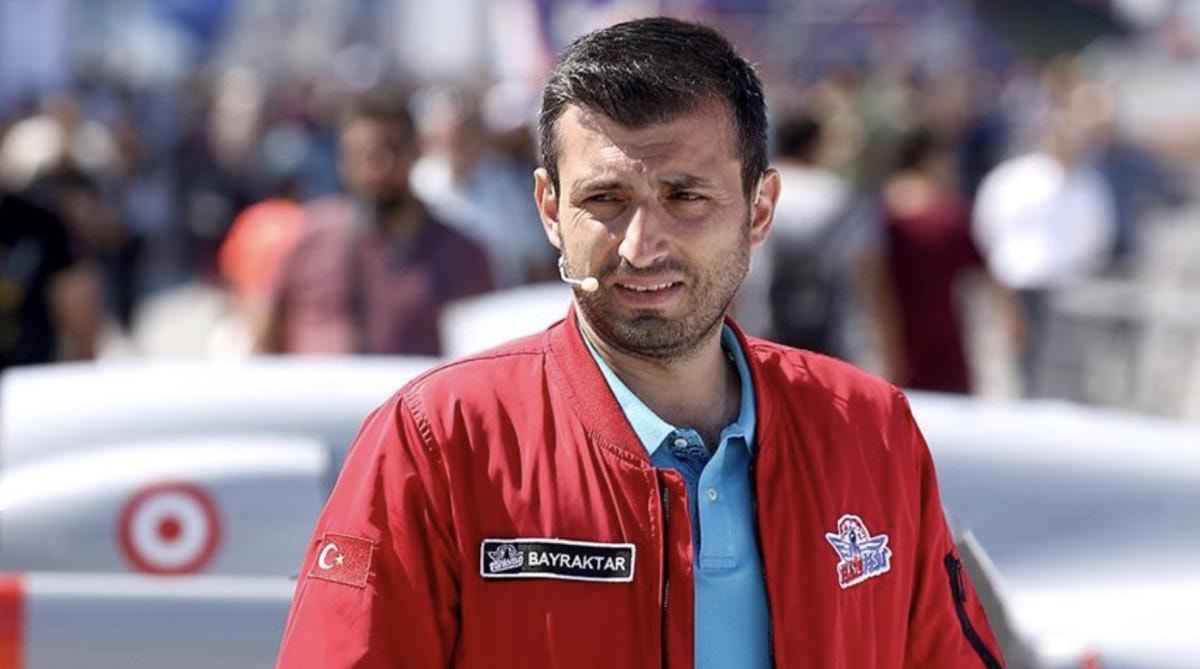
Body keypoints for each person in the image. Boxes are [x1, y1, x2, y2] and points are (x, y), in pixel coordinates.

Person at [277, 18, 1004, 668]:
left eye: (686, 196)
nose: (641, 244)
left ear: (759, 208)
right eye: (605, 199)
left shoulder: (869, 432)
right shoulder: (438, 441)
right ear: (550, 209)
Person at [257, 93, 494, 356]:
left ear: (417, 151)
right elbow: (265, 338)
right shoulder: (308, 237)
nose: (378, 167)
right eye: (363, 155)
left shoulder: (464, 255)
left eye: (391, 150)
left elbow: (482, 352)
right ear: (343, 161)